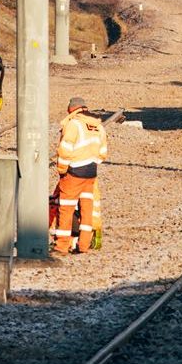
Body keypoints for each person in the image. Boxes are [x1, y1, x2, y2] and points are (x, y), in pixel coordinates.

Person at [53, 96, 108, 254]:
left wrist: (62, 169)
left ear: (71, 109)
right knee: (86, 209)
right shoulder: (98, 126)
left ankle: (62, 246)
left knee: (66, 209)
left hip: (74, 172)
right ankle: (84, 245)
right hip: (91, 173)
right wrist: (91, 162)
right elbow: (103, 153)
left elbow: (65, 149)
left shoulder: (73, 124)